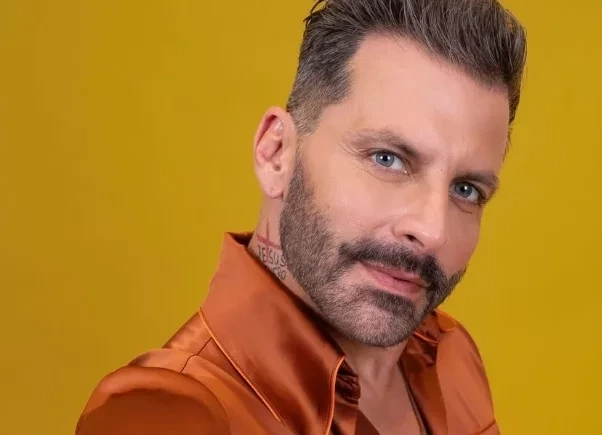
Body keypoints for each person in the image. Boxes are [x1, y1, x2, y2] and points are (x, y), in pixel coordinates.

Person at [76, 0, 526, 433]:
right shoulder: (169, 414)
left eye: (466, 190)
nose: (432, 230)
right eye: (387, 159)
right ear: (277, 154)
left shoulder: (451, 355)